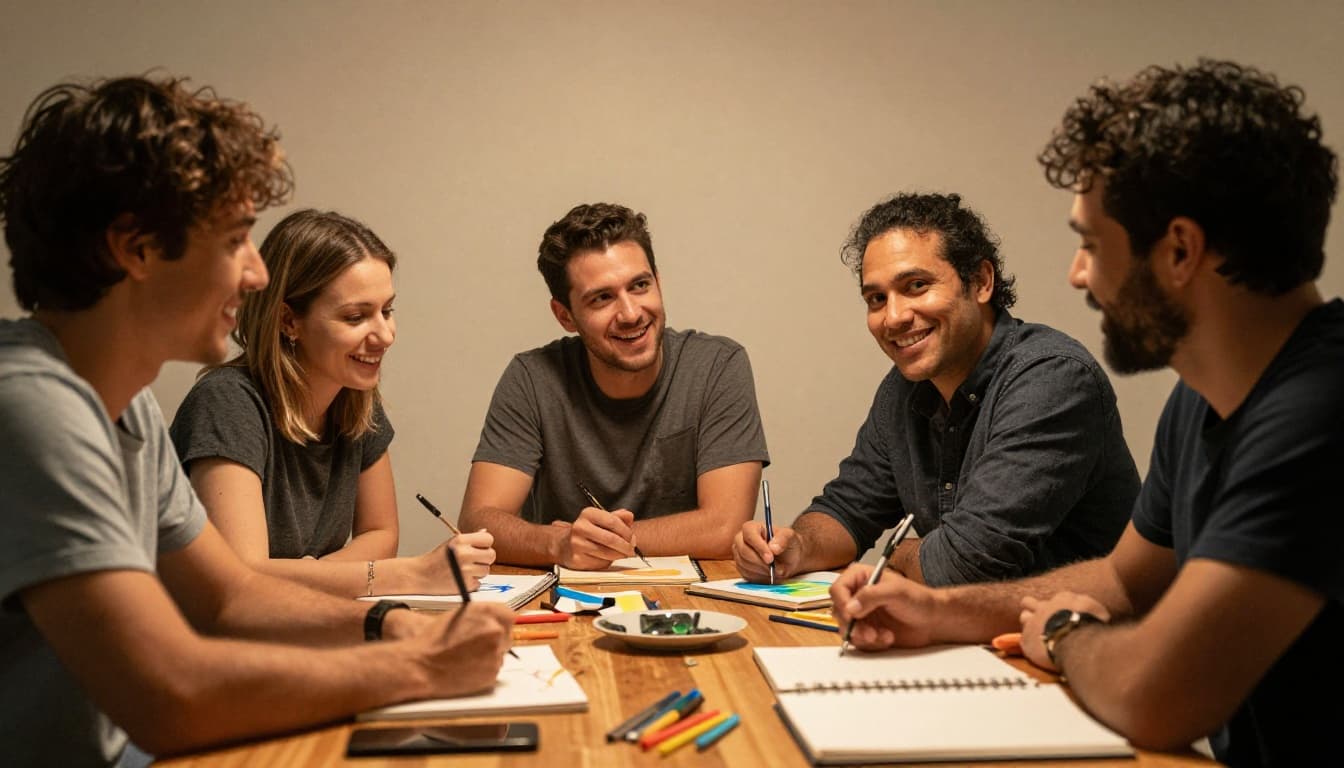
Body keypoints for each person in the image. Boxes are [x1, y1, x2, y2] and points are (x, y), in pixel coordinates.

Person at [830, 60, 1341, 766]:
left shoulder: (1320, 411)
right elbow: (1125, 580)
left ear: (1180, 251)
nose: (1077, 274)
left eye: (1092, 244)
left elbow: (1157, 697)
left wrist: (1065, 633)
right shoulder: (1201, 399)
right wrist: (938, 614)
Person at [0, 75, 511, 767]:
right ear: (136, 247)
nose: (258, 275)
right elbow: (169, 696)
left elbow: (230, 597)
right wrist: (421, 666)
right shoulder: (31, 407)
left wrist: (390, 625)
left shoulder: (127, 406)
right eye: (236, 240)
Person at [734, 193, 1138, 586]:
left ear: (981, 282)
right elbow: (848, 508)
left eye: (916, 285)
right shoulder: (904, 388)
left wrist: (899, 553)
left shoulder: (1052, 378)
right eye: (877, 298)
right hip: (967, 626)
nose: (893, 317)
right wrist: (797, 546)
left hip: (1080, 627)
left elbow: (967, 566)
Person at [170, 209, 495, 597]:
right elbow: (242, 576)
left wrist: (307, 575)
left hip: (300, 621)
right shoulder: (226, 402)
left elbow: (381, 534)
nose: (385, 335)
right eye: (356, 317)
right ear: (288, 321)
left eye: (387, 311)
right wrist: (413, 575)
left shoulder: (355, 395)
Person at [459, 202, 770, 569]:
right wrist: (558, 543)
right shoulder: (531, 378)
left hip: (690, 594)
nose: (631, 314)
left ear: (658, 282)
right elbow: (478, 522)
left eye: (640, 285)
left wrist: (597, 541)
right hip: (573, 595)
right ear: (565, 316)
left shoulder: (717, 366)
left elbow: (724, 527)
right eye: (602, 298)